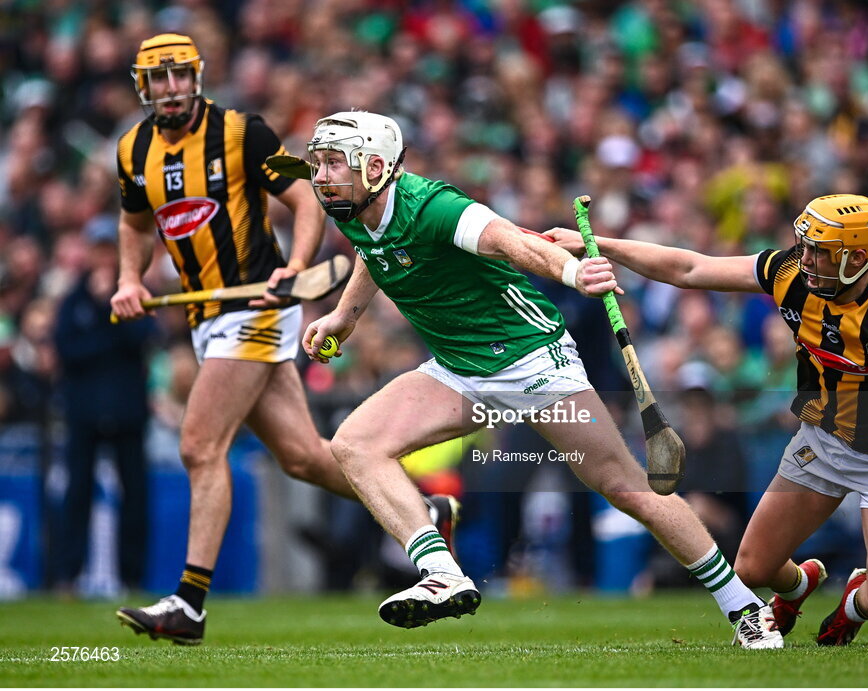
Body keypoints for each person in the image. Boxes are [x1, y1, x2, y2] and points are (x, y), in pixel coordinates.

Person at [291, 110, 782, 648]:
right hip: (458, 370)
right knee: (356, 446)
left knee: (625, 487)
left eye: (333, 162)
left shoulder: (436, 206)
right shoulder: (354, 204)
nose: (321, 174)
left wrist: (573, 272)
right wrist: (346, 316)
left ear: (376, 165)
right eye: (318, 163)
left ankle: (745, 607)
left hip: (531, 362)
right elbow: (375, 251)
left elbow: (508, 240)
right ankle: (444, 575)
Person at [110, 35, 456, 645]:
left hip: (257, 307)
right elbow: (135, 222)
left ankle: (189, 603)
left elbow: (304, 200)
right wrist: (128, 279)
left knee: (199, 446)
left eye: (179, 76)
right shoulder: (133, 149)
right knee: (302, 457)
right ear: (143, 85)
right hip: (206, 317)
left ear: (196, 76)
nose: (170, 89)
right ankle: (422, 514)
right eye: (157, 79)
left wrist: (294, 268)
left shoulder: (242, 132)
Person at [549, 193, 868, 646]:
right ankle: (798, 585)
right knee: (752, 570)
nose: (804, 258)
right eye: (804, 246)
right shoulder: (791, 272)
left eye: (819, 252)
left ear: (856, 258)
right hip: (824, 442)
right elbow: (689, 268)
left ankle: (852, 603)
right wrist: (599, 245)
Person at [53, 214, 155, 594]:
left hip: (127, 411)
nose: (101, 257)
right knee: (76, 494)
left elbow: (143, 337)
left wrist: (106, 321)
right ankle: (67, 577)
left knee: (135, 497)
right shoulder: (73, 300)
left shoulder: (135, 292)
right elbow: (68, 352)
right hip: (84, 413)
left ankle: (133, 577)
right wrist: (104, 316)